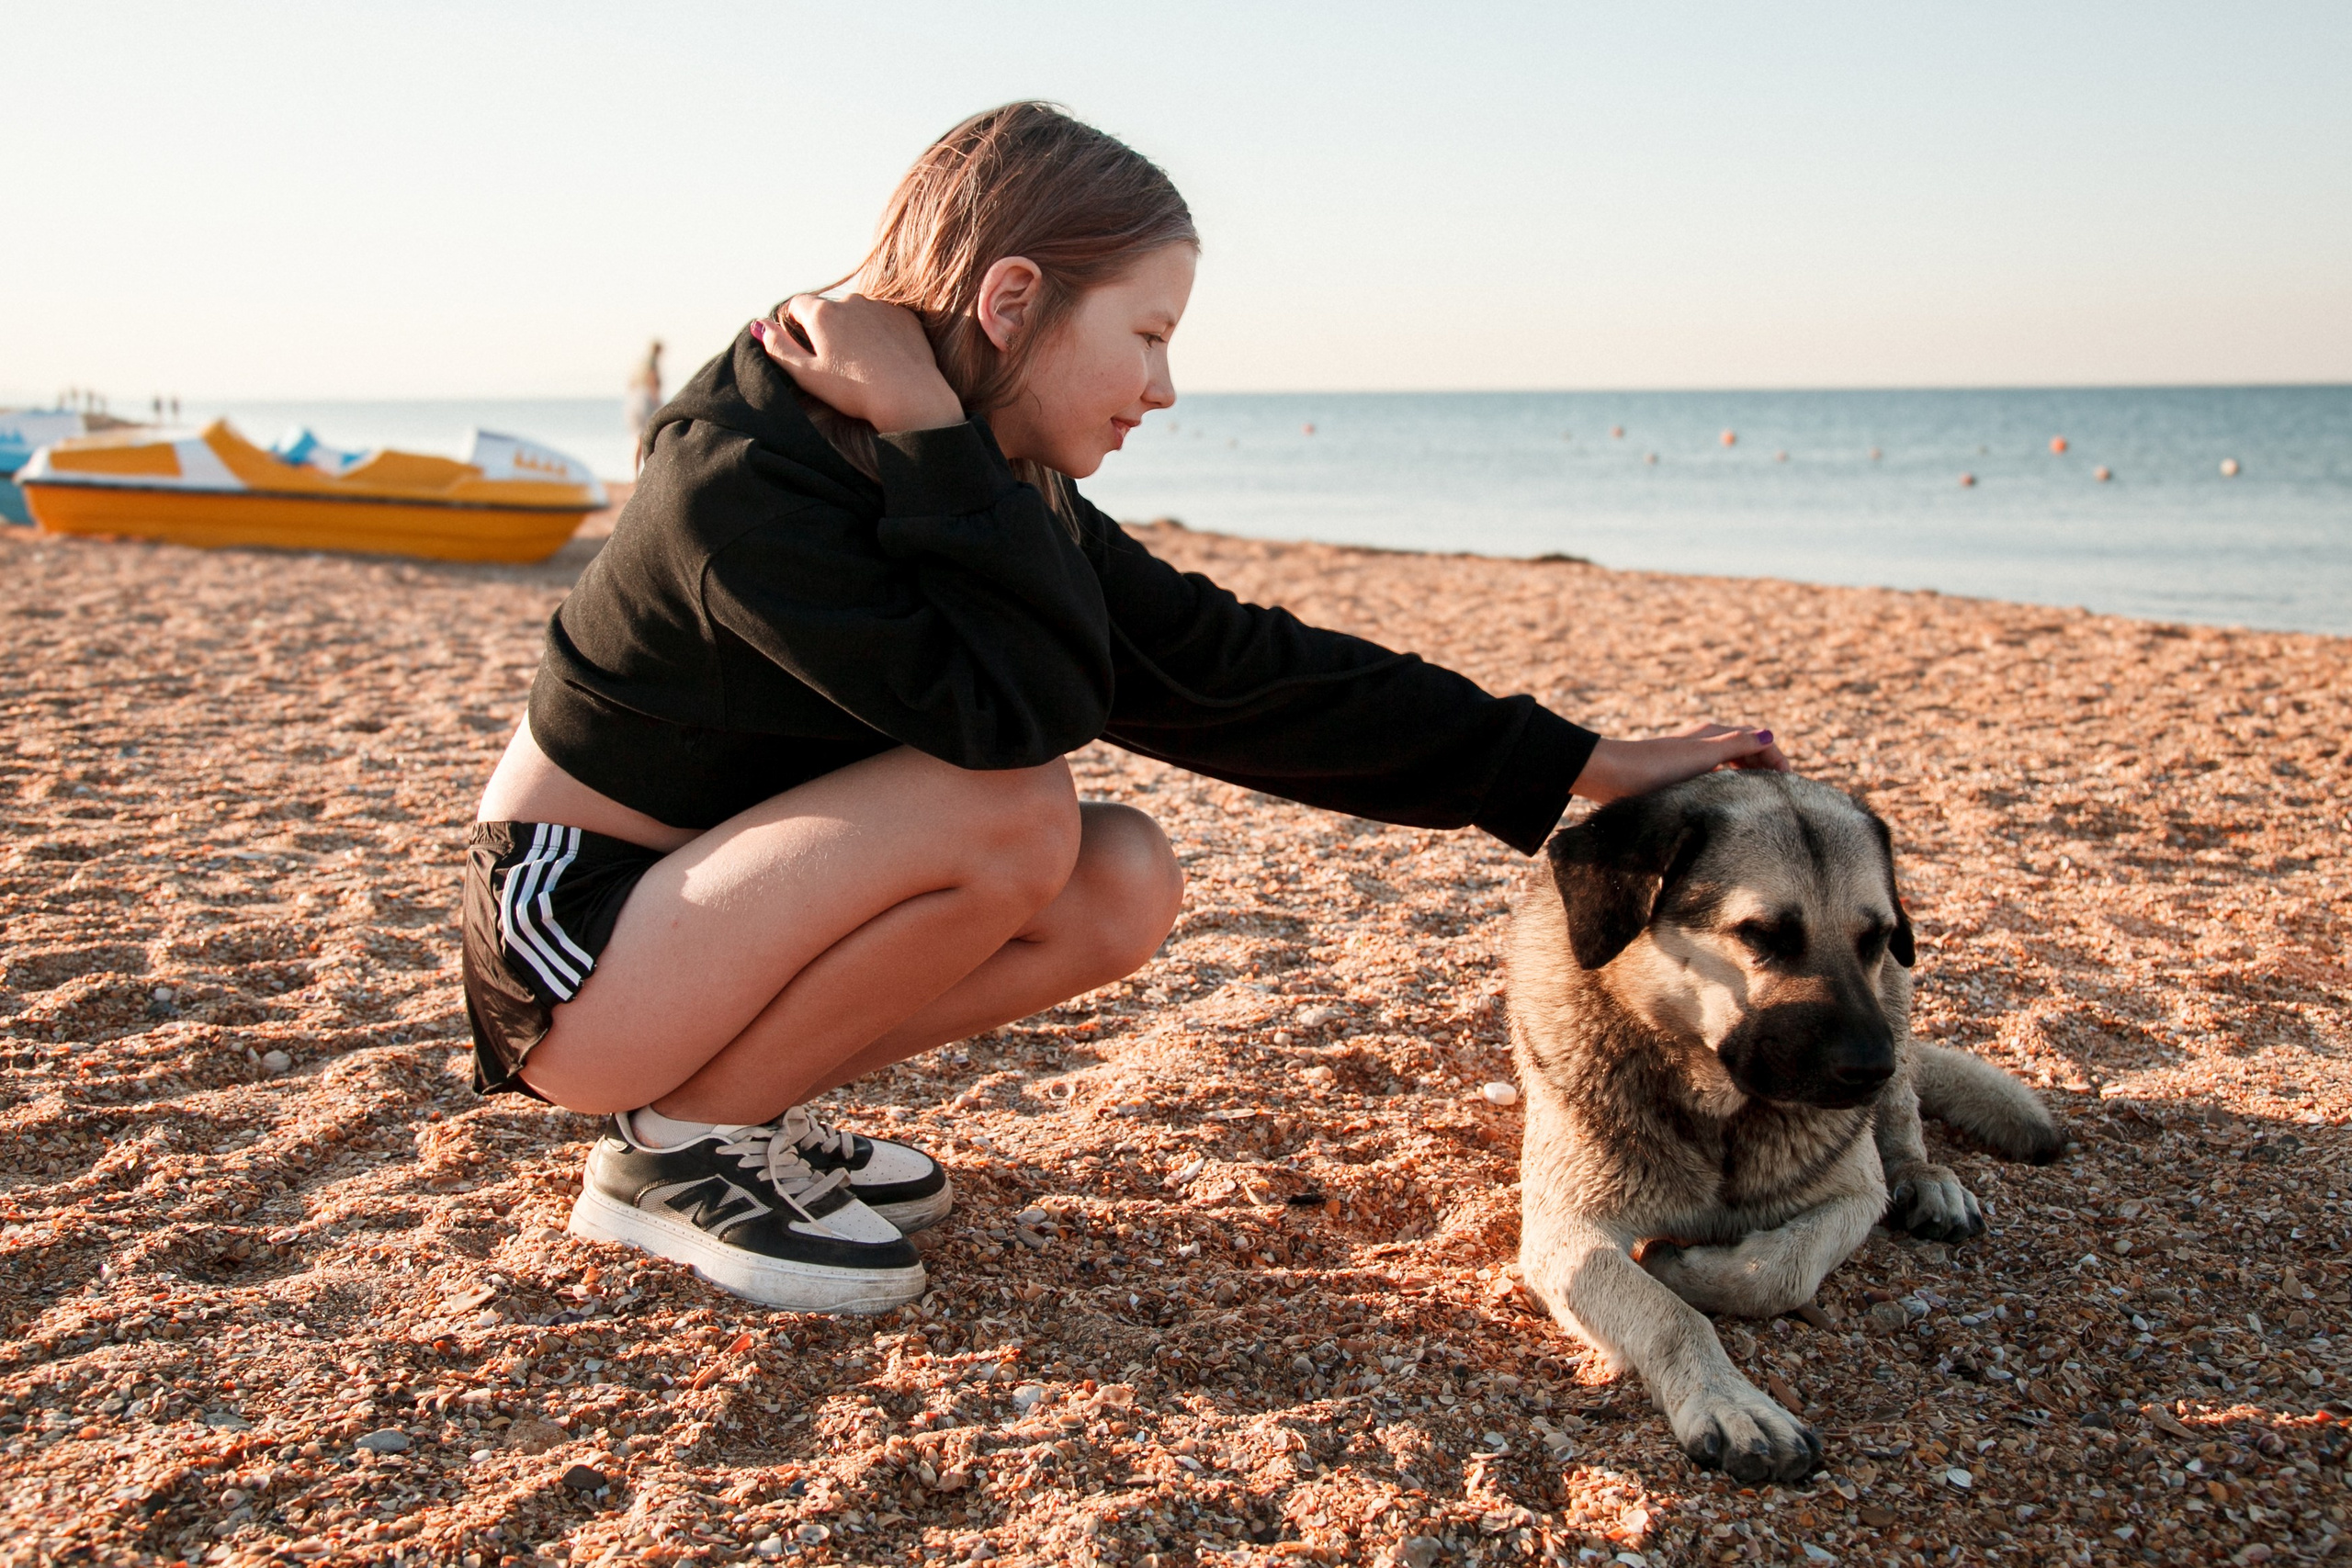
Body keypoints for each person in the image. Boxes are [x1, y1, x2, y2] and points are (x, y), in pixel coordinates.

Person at [463, 102, 1786, 1314]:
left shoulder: (983, 478)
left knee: (1120, 876)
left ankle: (725, 1108)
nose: (1161, 387)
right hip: (571, 951)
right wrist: (930, 423)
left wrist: (1588, 763)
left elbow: (1238, 668)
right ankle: (674, 1154)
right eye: (1148, 335)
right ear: (1014, 297)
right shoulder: (750, 476)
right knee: (1014, 810)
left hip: (698, 925)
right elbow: (1018, 720)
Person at [626, 340, 663, 473]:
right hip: (646, 401)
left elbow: (631, 383)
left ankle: (635, 474)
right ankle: (646, 473)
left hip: (635, 400)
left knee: (639, 439)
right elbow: (652, 380)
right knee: (648, 436)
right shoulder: (651, 363)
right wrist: (658, 402)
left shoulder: (640, 363)